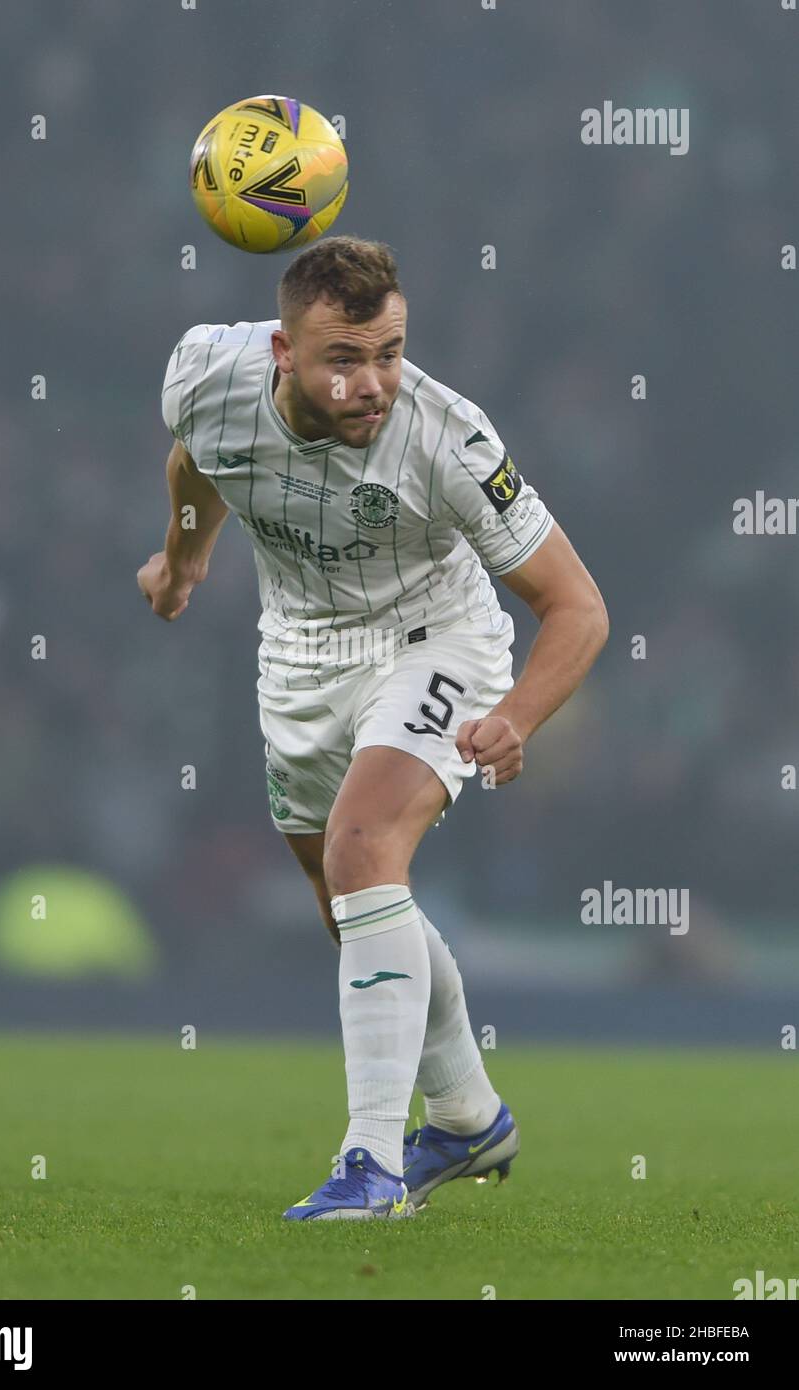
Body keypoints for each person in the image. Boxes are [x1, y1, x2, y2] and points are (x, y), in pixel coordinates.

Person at [138, 235, 608, 1220]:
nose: (371, 384)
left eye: (388, 353)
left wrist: (517, 715)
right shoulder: (204, 373)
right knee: (350, 896)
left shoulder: (450, 437)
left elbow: (577, 606)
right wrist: (182, 560)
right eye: (344, 360)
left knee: (362, 848)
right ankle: (469, 1115)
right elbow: (198, 459)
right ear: (282, 352)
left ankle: (372, 1166)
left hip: (434, 640)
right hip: (301, 655)